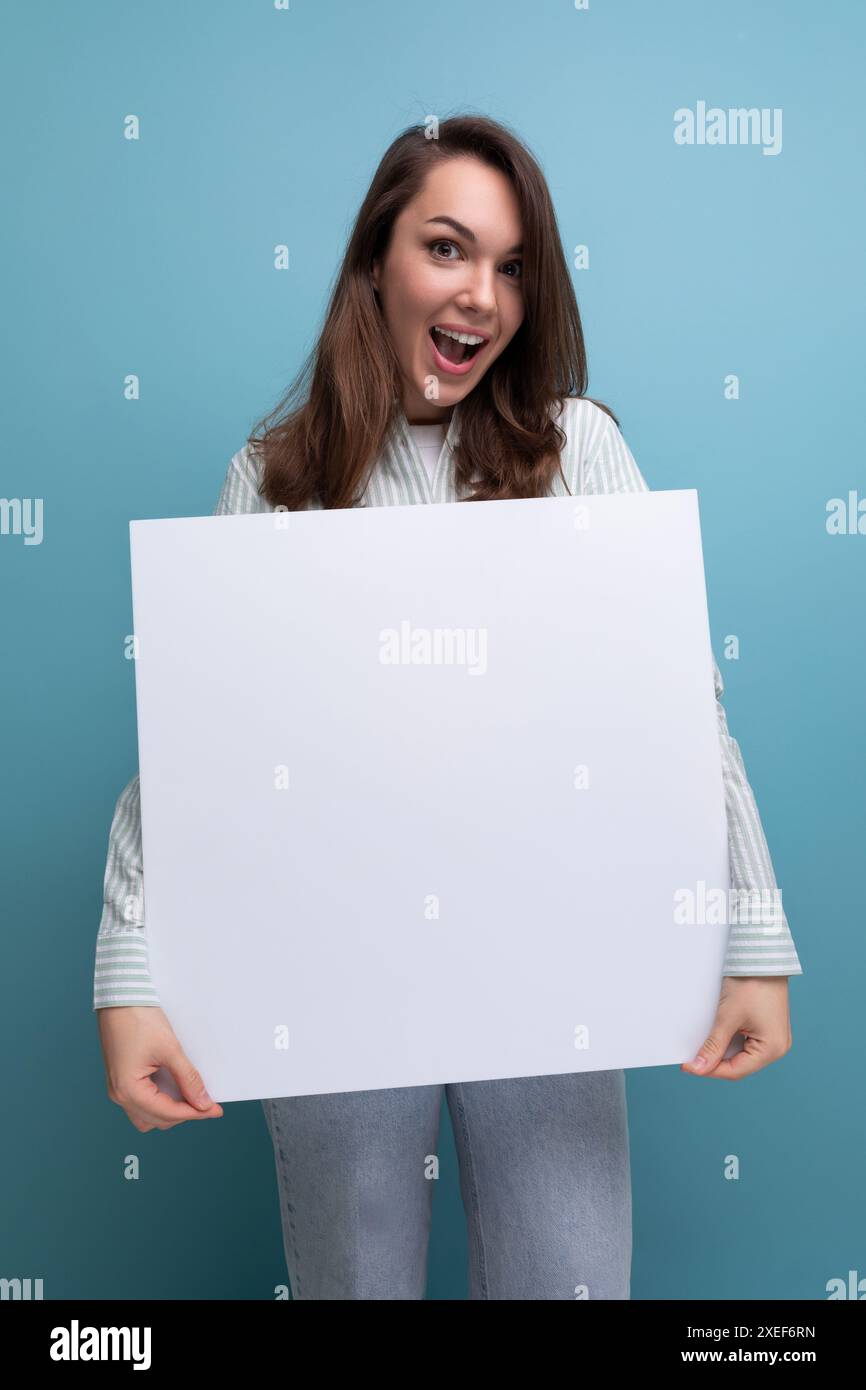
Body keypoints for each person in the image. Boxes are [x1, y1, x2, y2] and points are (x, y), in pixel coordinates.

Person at [95, 114, 803, 1300]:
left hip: (553, 953)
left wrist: (748, 934)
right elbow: (199, 743)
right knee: (352, 1282)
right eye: (446, 247)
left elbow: (683, 706)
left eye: (512, 266)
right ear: (374, 260)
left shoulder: (578, 448)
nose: (481, 293)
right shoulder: (272, 478)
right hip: (330, 955)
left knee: (564, 1278)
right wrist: (128, 965)